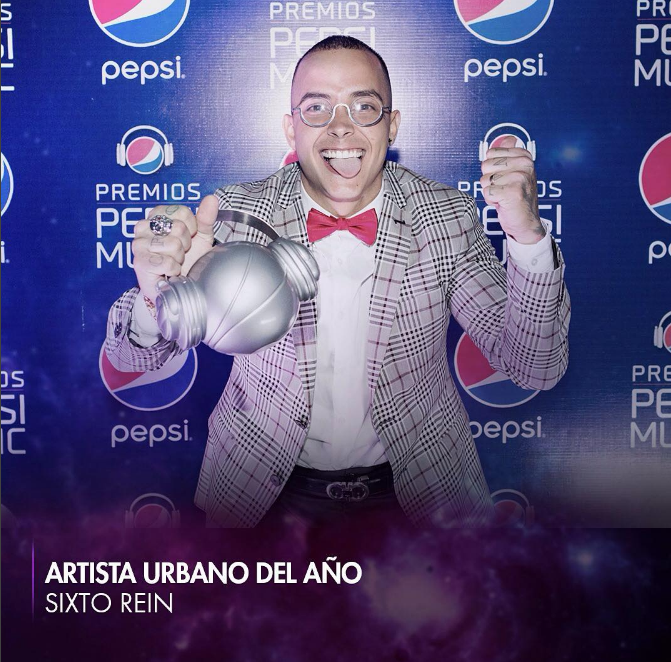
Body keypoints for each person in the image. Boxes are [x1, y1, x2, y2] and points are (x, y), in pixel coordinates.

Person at [105, 36, 570, 528]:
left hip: (420, 497)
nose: (341, 127)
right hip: (260, 496)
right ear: (291, 129)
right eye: (316, 108)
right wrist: (157, 294)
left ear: (392, 125)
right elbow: (130, 360)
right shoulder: (234, 216)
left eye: (363, 107)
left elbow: (535, 367)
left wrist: (526, 236)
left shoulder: (446, 216)